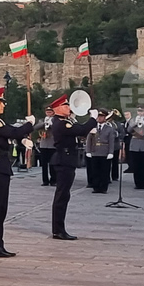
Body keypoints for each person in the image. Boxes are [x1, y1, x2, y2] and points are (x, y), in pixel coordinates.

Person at [0, 87, 32, 257]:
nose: (3, 105)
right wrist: (30, 124)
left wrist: (22, 137)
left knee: (1, 207)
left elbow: (12, 133)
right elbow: (13, 131)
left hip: (0, 164)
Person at [49, 93, 98, 241]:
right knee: (62, 195)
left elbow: (78, 130)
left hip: (66, 159)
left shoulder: (66, 121)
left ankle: (59, 228)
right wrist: (93, 119)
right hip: (64, 160)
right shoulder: (61, 123)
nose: (68, 107)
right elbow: (82, 131)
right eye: (65, 105)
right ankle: (58, 229)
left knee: (64, 195)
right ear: (57, 109)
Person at [84, 109, 116, 195]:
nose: (99, 118)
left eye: (101, 116)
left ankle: (103, 187)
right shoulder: (92, 127)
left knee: (105, 171)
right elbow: (89, 140)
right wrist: (88, 150)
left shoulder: (109, 129)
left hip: (104, 151)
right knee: (95, 171)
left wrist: (111, 152)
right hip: (94, 151)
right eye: (98, 116)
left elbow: (111, 141)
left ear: (105, 117)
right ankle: (96, 187)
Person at [126, 106, 144, 190]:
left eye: (141, 111)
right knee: (136, 165)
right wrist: (135, 123)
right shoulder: (133, 120)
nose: (140, 113)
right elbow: (129, 130)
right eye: (138, 111)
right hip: (135, 144)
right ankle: (137, 183)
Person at [35, 106, 57, 187]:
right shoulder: (42, 120)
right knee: (44, 164)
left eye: (50, 111)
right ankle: (45, 180)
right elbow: (35, 127)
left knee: (52, 164)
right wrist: (44, 123)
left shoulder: (55, 120)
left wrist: (51, 124)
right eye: (47, 111)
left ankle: (53, 180)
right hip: (44, 144)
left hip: (52, 144)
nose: (49, 113)